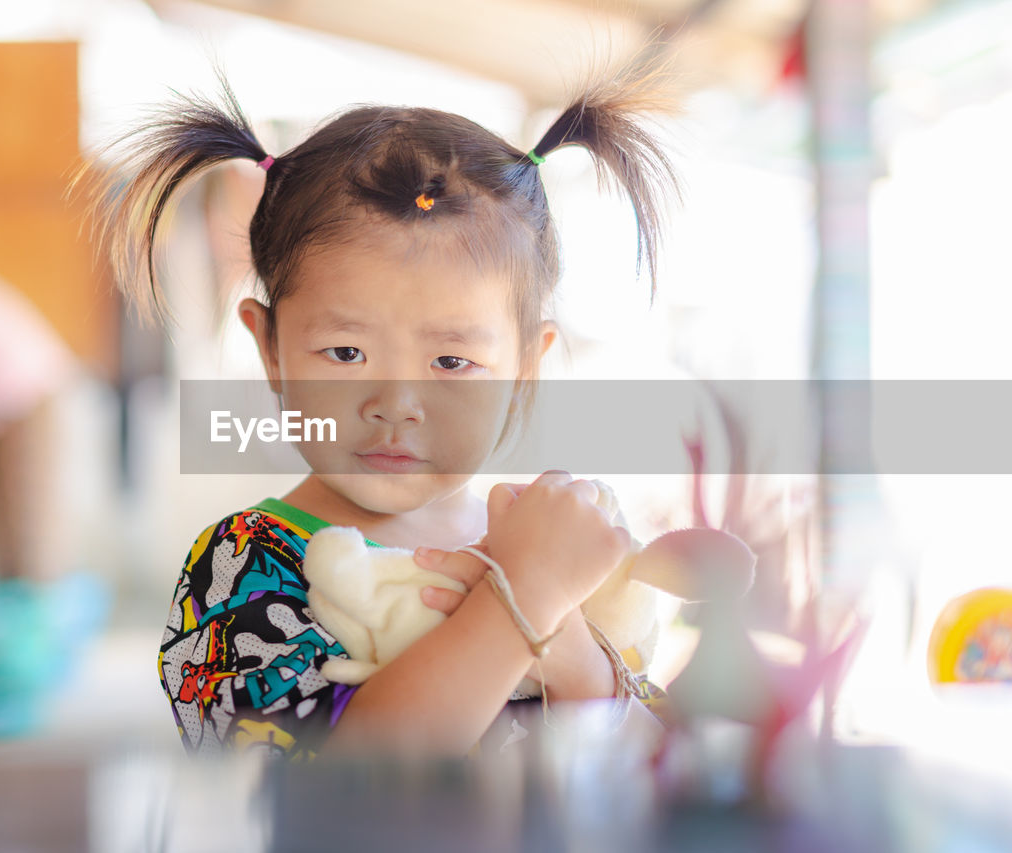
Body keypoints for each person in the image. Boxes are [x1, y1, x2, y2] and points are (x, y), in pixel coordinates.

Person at [89, 63, 681, 759]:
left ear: (525, 366)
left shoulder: (547, 550)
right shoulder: (245, 563)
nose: (396, 405)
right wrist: (518, 604)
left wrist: (573, 649)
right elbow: (333, 782)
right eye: (345, 353)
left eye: (452, 362)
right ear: (270, 350)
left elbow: (660, 777)